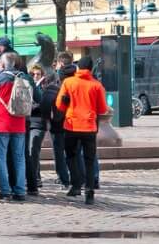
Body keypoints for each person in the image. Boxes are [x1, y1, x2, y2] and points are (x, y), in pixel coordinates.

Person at [56, 55, 108, 205]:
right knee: (89, 160)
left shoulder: (68, 82)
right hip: (89, 126)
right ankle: (89, 191)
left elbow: (60, 105)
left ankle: (76, 184)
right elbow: (102, 109)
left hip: (71, 125)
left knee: (71, 156)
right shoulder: (96, 85)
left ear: (78, 68)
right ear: (91, 69)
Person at [0, 52, 31, 202]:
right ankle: (20, 191)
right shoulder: (24, 77)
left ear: (2, 65)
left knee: (0, 158)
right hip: (19, 123)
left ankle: (5, 191)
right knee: (19, 159)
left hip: (1, 123)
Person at [27, 62, 50, 194]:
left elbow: (42, 104)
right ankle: (36, 176)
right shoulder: (28, 86)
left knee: (33, 150)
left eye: (38, 74)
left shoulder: (44, 88)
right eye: (33, 74)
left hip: (38, 123)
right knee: (32, 152)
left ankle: (35, 178)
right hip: (28, 122)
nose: (35, 76)